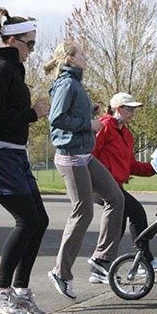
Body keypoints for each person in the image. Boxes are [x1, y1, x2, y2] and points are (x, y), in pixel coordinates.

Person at [0, 7, 49, 314]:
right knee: (27, 220)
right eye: (29, 44)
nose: (32, 51)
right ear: (12, 40)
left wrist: (29, 113)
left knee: (39, 220)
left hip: (12, 152)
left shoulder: (13, 70)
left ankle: (21, 291)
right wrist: (32, 113)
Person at [45, 40, 125, 299]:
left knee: (115, 197)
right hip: (70, 157)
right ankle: (61, 272)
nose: (86, 56)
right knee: (83, 212)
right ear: (70, 59)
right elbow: (56, 119)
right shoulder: (67, 84)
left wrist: (88, 112)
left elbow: (69, 113)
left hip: (84, 155)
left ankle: (102, 259)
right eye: (81, 53)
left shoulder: (74, 83)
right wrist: (88, 124)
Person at [88, 93, 157, 283]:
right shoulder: (105, 126)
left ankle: (100, 267)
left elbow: (131, 165)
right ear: (118, 108)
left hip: (115, 186)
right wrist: (104, 175)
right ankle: (144, 261)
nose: (133, 113)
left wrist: (156, 168)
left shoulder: (127, 134)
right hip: (99, 184)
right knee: (137, 212)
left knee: (119, 220)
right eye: (129, 109)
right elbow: (91, 155)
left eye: (134, 109)